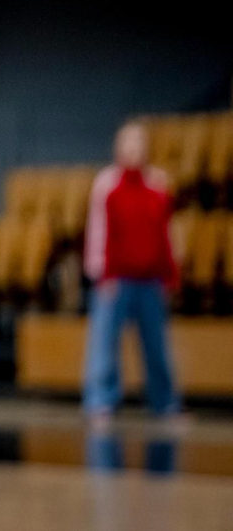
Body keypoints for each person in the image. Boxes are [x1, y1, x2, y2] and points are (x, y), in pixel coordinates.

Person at [82, 120, 181, 424]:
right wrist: (101, 271)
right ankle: (101, 400)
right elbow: (98, 230)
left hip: (150, 279)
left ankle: (165, 403)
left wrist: (170, 273)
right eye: (128, 142)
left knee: (157, 346)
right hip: (116, 277)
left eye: (139, 142)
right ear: (118, 147)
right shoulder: (106, 184)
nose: (133, 148)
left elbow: (166, 233)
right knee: (104, 343)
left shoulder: (158, 185)